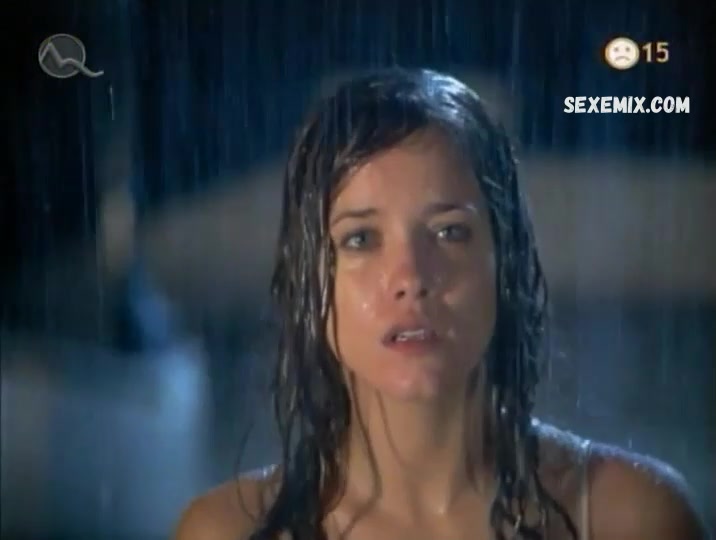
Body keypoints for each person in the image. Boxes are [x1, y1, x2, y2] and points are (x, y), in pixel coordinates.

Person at [175, 68, 708, 540]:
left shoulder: (631, 518)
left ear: (505, 262)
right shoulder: (226, 531)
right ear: (310, 278)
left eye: (450, 232)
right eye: (361, 239)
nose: (411, 278)